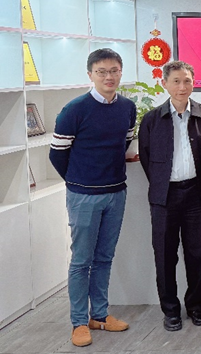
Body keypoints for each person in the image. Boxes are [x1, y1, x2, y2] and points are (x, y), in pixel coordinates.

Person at [49, 48, 136, 347]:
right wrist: (79, 181)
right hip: (83, 195)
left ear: (120, 72)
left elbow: (124, 142)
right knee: (81, 261)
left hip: (116, 192)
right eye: (102, 72)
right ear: (90, 75)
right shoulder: (74, 109)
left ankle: (99, 315)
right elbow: (57, 154)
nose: (108, 77)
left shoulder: (127, 107)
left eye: (114, 71)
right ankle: (78, 322)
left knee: (104, 258)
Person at [139, 60, 201, 331]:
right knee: (165, 256)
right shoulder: (151, 119)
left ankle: (195, 306)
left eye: (187, 81)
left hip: (196, 195)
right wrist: (163, 185)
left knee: (197, 254)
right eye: (176, 81)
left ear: (193, 83)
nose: (182, 87)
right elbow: (146, 158)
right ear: (165, 84)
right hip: (164, 198)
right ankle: (170, 310)